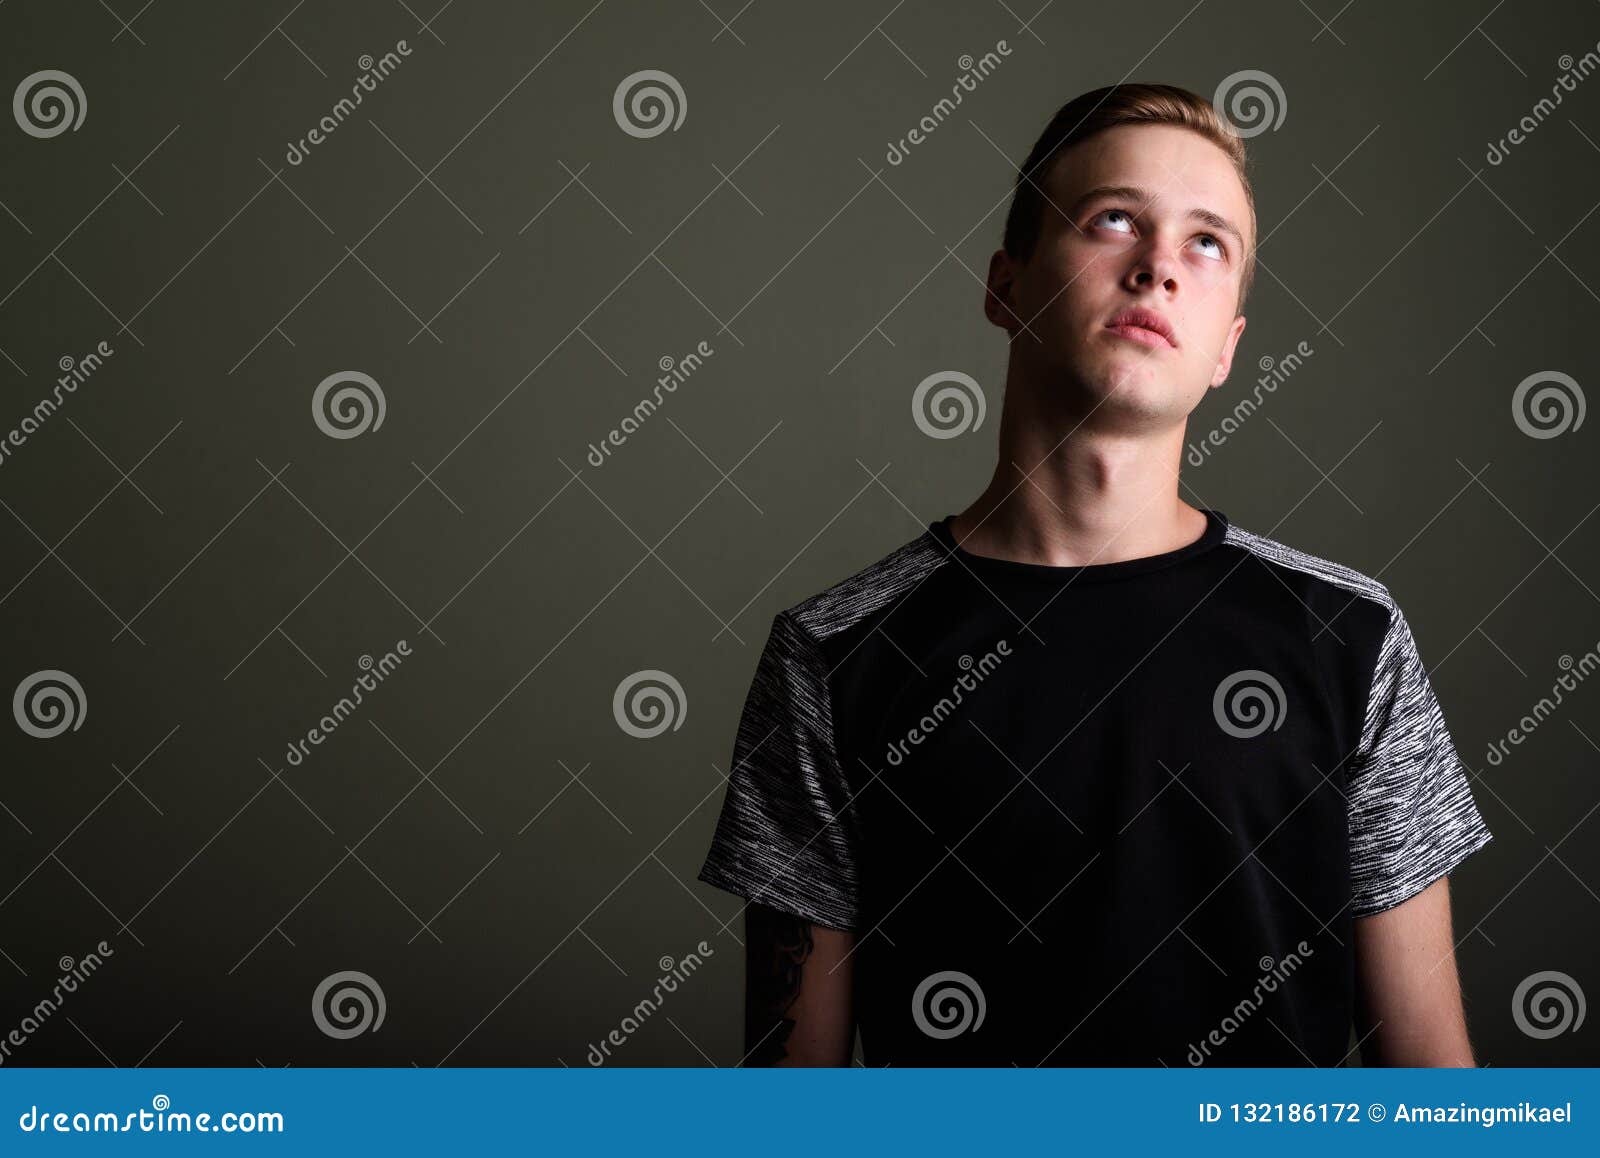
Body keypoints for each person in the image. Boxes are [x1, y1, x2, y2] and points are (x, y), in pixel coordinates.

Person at [696, 83, 1494, 1067]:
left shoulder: (1347, 638)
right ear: (1005, 284)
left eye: (1208, 244)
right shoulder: (833, 656)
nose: (1158, 267)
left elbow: (1435, 1096)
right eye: (1113, 218)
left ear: (1227, 351)